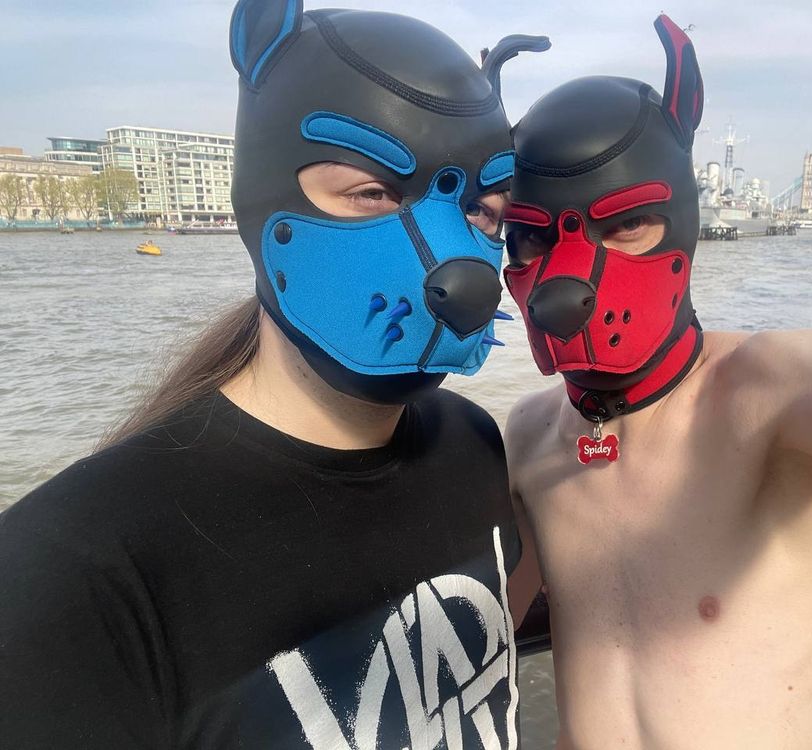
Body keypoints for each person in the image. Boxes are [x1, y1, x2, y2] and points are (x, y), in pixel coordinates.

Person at [0, 2, 546, 747]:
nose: (456, 263)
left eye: (482, 210)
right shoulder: (70, 573)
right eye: (372, 192)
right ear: (264, 194)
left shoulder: (474, 444)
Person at [502, 14, 812, 750]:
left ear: (680, 223)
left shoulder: (769, 396)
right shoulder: (528, 436)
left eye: (626, 226)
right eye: (531, 236)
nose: (569, 276)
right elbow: (469, 631)